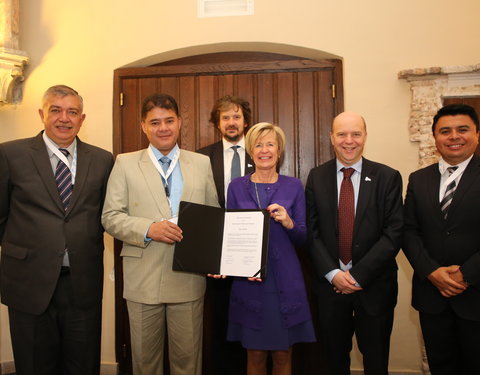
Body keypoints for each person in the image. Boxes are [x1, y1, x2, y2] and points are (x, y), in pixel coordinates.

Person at [101, 93, 219, 375]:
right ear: (144, 126)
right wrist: (148, 229)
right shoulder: (125, 163)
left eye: (169, 120)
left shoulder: (200, 163)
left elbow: (213, 217)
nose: (163, 127)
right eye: (155, 122)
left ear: (179, 123)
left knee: (187, 364)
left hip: (188, 278)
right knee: (145, 364)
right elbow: (109, 217)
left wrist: (216, 259)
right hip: (143, 280)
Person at [0, 85, 113, 375]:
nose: (64, 118)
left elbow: (106, 215)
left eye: (72, 112)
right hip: (29, 281)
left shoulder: (102, 160)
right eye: (56, 110)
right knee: (35, 364)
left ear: (82, 118)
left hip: (82, 282)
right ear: (42, 114)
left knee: (82, 364)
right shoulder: (10, 154)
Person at [305, 111, 403, 375]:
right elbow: (311, 232)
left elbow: (393, 233)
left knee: (376, 360)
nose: (349, 141)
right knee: (333, 361)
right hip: (330, 288)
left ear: (365, 137)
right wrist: (334, 273)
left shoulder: (388, 177)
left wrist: (357, 276)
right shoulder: (316, 176)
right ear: (331, 138)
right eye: (342, 134)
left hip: (375, 287)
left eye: (356, 134)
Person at [225, 122, 316, 375]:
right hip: (249, 282)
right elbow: (229, 236)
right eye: (258, 144)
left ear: (279, 150)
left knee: (283, 354)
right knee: (253, 354)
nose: (264, 149)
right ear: (251, 151)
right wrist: (224, 265)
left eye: (270, 144)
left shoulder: (294, 186)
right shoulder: (235, 186)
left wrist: (288, 222)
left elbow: (303, 238)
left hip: (285, 282)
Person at [403, 104, 480, 375]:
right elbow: (409, 231)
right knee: (441, 366)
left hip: (476, 293)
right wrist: (431, 272)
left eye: (462, 129)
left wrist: (465, 274)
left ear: (477, 134)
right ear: (435, 138)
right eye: (445, 131)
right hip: (432, 296)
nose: (453, 136)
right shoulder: (418, 179)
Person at [197, 95, 254, 374]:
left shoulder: (261, 154)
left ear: (245, 121)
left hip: (252, 252)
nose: (232, 122)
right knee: (220, 321)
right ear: (217, 123)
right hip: (217, 255)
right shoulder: (201, 158)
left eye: (236, 116)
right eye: (226, 117)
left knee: (251, 320)